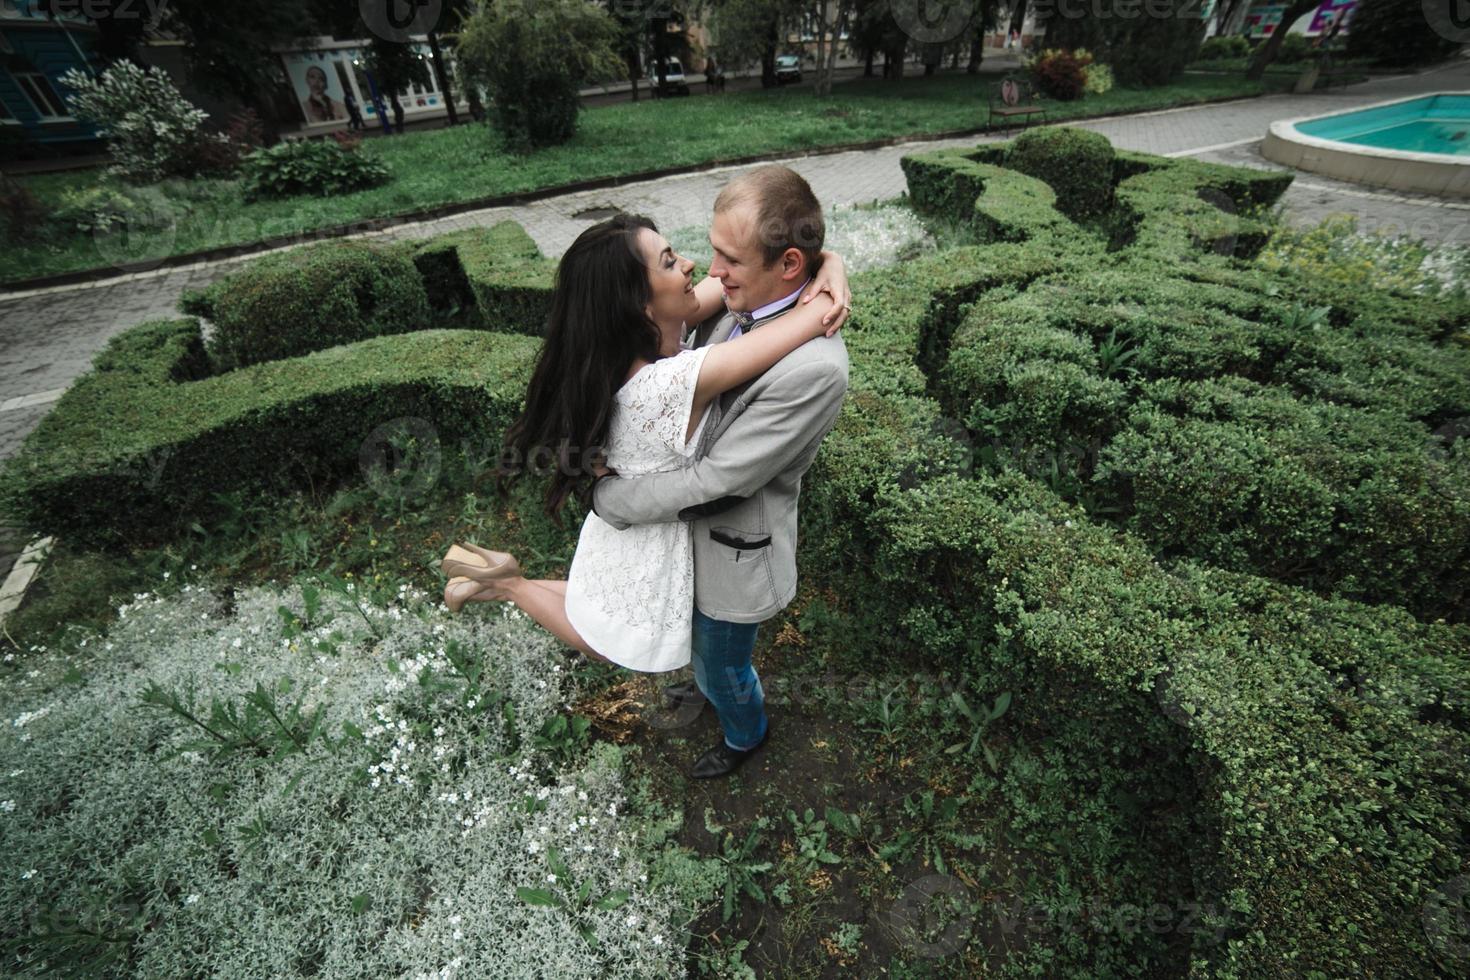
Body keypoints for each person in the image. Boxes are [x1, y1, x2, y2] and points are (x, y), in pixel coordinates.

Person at [444, 167, 851, 780]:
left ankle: (745, 734)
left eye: (727, 256)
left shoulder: (812, 369)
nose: (707, 270)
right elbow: (743, 331)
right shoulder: (685, 342)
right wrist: (825, 278)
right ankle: (512, 587)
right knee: (628, 631)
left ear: (789, 264)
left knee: (711, 661)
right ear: (639, 303)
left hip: (725, 551)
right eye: (688, 256)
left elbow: (720, 483)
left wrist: (831, 265)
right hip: (658, 527)